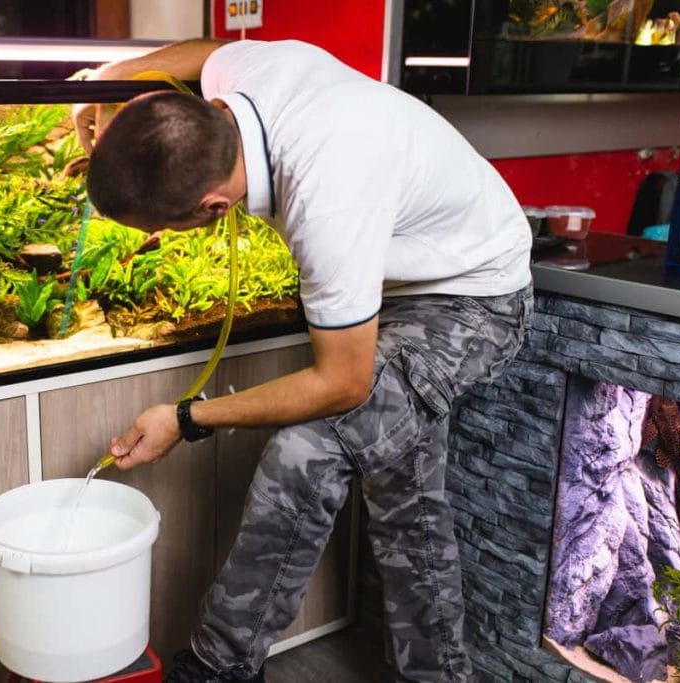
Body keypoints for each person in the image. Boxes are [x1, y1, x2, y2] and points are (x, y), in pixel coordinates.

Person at [72, 38, 533, 683]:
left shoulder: (328, 196)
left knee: (308, 453)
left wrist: (188, 418)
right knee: (407, 499)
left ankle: (218, 667)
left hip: (475, 299)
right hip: (397, 284)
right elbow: (206, 51)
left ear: (212, 209)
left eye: (165, 229)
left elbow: (342, 384)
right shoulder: (241, 76)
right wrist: (110, 78)